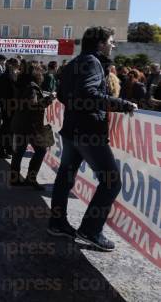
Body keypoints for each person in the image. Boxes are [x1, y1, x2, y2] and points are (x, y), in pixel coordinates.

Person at [49, 26, 137, 252]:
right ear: (100, 43)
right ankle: (90, 229)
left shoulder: (74, 63)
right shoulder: (93, 63)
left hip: (71, 130)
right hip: (89, 133)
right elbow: (88, 93)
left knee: (65, 177)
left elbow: (61, 94)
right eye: (110, 41)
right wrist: (122, 104)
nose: (113, 45)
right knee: (112, 181)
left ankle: (57, 223)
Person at [10, 62, 55, 189]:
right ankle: (31, 179)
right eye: (40, 70)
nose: (42, 73)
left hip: (20, 122)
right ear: (36, 72)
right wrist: (49, 99)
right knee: (41, 150)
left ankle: (15, 179)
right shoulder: (32, 87)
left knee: (18, 152)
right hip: (30, 125)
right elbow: (33, 105)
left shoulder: (22, 84)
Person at [0, 58, 20, 159]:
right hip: (7, 107)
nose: (18, 67)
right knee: (4, 130)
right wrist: (9, 109)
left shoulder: (10, 76)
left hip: (10, 107)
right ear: (11, 65)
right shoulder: (6, 77)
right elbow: (6, 95)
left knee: (9, 130)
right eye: (17, 65)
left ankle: (8, 148)